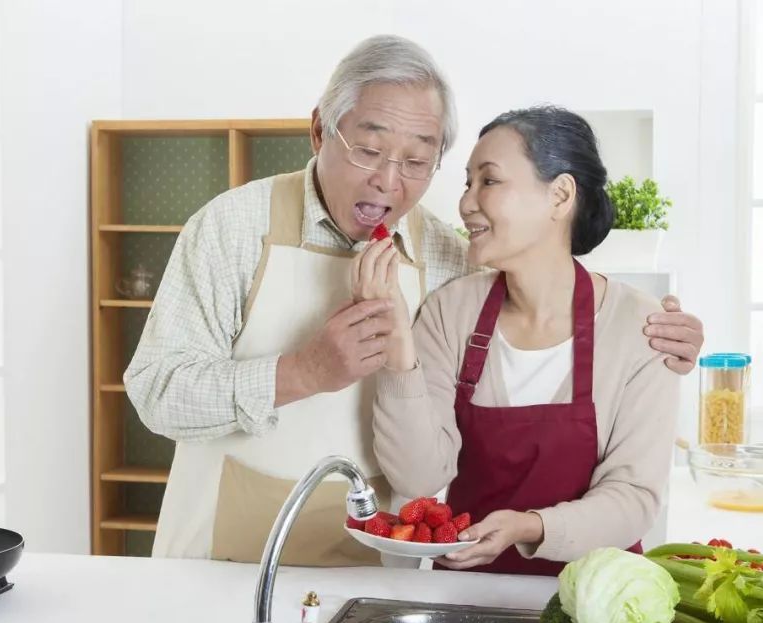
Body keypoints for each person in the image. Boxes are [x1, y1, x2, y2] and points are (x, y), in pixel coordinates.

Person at [124, 37, 703, 564]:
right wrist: (305, 371)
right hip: (223, 555)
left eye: (418, 162)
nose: (388, 181)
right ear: (321, 130)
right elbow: (157, 395)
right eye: (370, 150)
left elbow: (545, 282)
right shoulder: (233, 228)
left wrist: (652, 329)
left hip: (373, 558)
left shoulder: (451, 261)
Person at [364, 106, 681, 575]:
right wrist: (396, 348)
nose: (467, 202)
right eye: (467, 184)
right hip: (470, 597)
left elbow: (633, 498)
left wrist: (530, 527)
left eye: (488, 181)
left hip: (595, 607)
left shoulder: (643, 328)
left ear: (559, 195)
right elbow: (419, 476)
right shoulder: (451, 313)